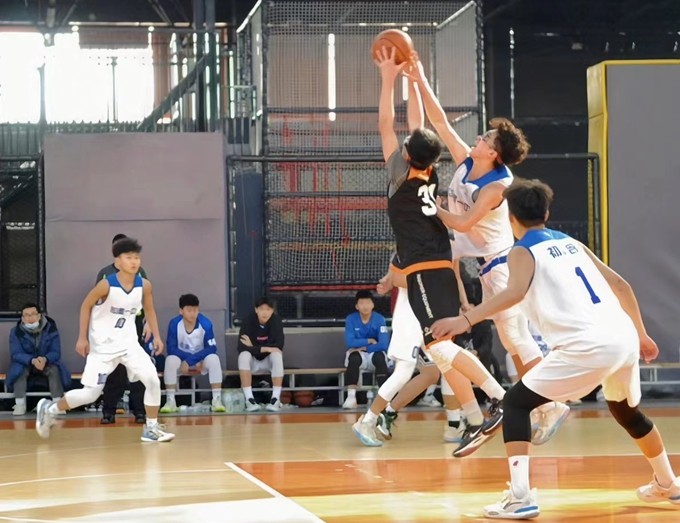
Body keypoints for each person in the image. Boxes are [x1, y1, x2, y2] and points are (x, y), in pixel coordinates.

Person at [432, 178, 680, 518]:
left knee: (516, 403)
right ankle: (668, 483)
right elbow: (620, 285)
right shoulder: (572, 243)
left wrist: (465, 320)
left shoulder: (521, 250)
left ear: (510, 217)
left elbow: (514, 292)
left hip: (587, 346)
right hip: (621, 336)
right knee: (626, 412)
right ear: (546, 213)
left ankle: (520, 497)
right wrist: (641, 334)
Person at [408, 55, 569, 446]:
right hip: (476, 253)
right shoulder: (468, 160)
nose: (478, 139)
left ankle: (551, 404)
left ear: (493, 153)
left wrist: (433, 208)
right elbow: (440, 121)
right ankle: (541, 404)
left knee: (516, 341)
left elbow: (463, 223)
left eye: (485, 139)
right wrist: (418, 78)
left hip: (499, 263)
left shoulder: (497, 186)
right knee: (513, 339)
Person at [374, 46, 505, 457]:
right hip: (441, 263)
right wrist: (411, 81)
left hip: (426, 267)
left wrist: (389, 78)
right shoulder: (430, 171)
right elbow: (415, 126)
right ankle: (474, 417)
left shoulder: (399, 176)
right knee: (441, 346)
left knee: (441, 345)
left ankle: (500, 397)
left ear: (406, 154)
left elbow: (386, 124)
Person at [35, 238, 174, 443]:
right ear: (118, 261)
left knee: (152, 380)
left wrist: (157, 335)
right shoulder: (106, 285)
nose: (134, 261)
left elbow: (150, 309)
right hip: (103, 347)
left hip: (129, 345)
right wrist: (82, 337)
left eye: (136, 257)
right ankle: (50, 409)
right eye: (129, 257)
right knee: (90, 394)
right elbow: (86, 306)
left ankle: (151, 428)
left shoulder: (144, 285)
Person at [96, 233, 149, 424]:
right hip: (112, 327)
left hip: (134, 325)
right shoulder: (105, 273)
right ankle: (109, 411)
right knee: (114, 370)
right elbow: (97, 302)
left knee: (137, 369)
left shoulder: (140, 272)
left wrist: (148, 323)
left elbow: (146, 299)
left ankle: (140, 411)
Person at [160, 294, 226, 413]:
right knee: (170, 360)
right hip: (181, 360)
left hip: (200, 360)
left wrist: (192, 360)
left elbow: (211, 348)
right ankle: (170, 401)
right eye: (189, 310)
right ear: (181, 311)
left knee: (214, 359)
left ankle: (217, 400)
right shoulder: (174, 324)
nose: (193, 313)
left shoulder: (206, 324)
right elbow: (171, 348)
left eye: (195, 310)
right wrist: (187, 360)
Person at [7, 304, 70, 416]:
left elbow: (56, 352)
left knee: (54, 369)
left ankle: (57, 404)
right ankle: (19, 404)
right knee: (18, 371)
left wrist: (45, 359)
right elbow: (16, 354)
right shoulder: (15, 332)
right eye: (26, 315)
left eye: (33, 314)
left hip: (46, 362)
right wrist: (32, 360)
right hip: (26, 363)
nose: (30, 318)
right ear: (22, 318)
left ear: (39, 316)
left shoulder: (51, 329)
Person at [343, 290, 390, 410]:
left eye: (368, 303)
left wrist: (366, 347)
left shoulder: (380, 319)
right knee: (353, 357)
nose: (365, 306)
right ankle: (351, 397)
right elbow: (350, 342)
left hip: (374, 353)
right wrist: (369, 340)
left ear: (373, 305)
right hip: (358, 354)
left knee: (380, 357)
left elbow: (384, 344)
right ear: (357, 306)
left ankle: (384, 398)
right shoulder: (350, 319)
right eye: (362, 303)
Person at [237, 297, 285, 412]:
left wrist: (253, 346)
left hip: (268, 361)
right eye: (262, 309)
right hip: (252, 361)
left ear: (272, 311)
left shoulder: (276, 322)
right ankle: (249, 399)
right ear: (256, 310)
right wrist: (266, 348)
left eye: (268, 309)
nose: (265, 312)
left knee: (277, 356)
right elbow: (241, 347)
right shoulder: (247, 321)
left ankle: (275, 399)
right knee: (243, 355)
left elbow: (278, 346)